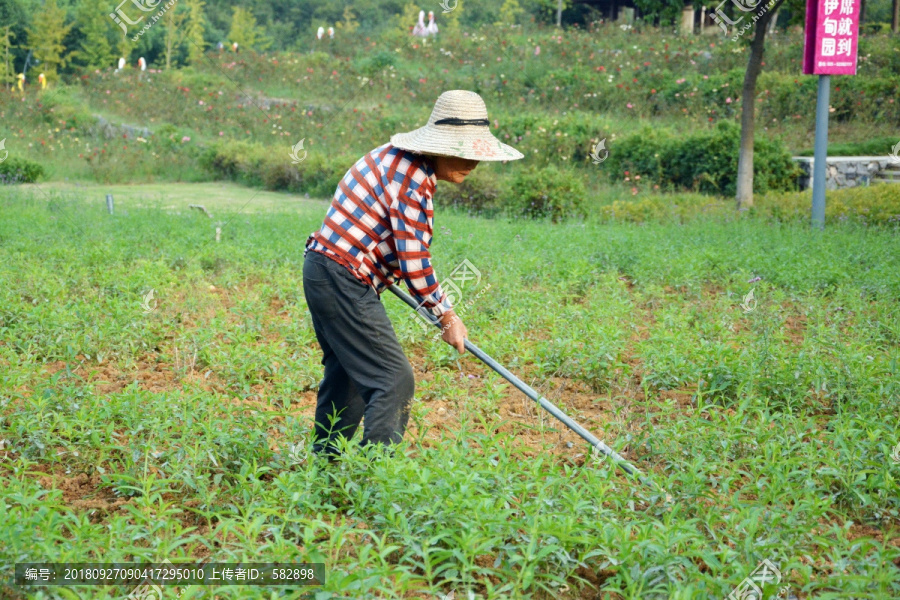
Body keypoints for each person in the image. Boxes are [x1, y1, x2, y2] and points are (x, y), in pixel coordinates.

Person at [302, 90, 523, 459]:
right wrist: (446, 315)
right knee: (393, 380)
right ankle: (376, 477)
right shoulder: (412, 179)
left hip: (324, 271)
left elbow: (389, 245)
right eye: (462, 151)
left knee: (349, 378)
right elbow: (414, 259)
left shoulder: (399, 163)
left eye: (477, 155)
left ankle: (324, 469)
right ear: (438, 145)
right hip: (341, 276)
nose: (472, 163)